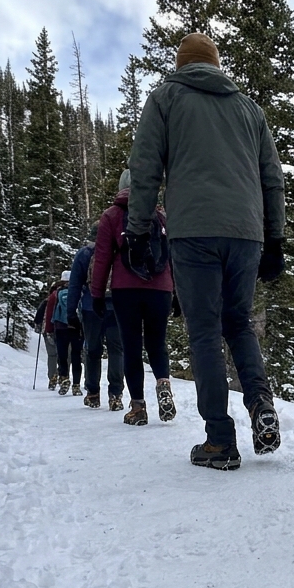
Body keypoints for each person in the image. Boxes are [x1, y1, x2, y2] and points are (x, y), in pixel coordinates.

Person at [125, 33, 285, 471]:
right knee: (239, 324)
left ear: (182, 64)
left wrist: (138, 231)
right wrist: (275, 239)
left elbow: (144, 168)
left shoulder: (165, 98)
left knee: (204, 333)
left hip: (193, 231)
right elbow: (271, 178)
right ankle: (261, 405)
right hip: (247, 233)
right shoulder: (249, 108)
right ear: (216, 64)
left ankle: (219, 439)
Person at [90, 170, 177, 426]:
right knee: (157, 343)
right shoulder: (161, 217)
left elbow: (102, 259)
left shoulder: (111, 216)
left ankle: (138, 407)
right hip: (161, 289)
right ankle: (163, 383)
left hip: (125, 289)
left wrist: (97, 294)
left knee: (131, 346)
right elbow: (172, 258)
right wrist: (177, 293)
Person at [66, 216, 126, 411]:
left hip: (91, 307)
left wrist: (71, 312)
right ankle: (115, 394)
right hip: (117, 307)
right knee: (117, 351)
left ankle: (92, 393)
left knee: (93, 350)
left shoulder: (84, 254)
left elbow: (74, 285)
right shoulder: (119, 252)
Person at [44, 271, 83, 396]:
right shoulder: (80, 292)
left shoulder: (56, 293)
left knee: (62, 356)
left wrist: (48, 329)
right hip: (76, 327)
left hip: (60, 327)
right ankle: (76, 385)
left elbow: (50, 312)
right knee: (76, 356)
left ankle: (64, 378)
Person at [31, 286, 58, 390]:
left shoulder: (46, 301)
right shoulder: (71, 296)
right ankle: (63, 376)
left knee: (52, 355)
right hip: (65, 330)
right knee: (64, 355)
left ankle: (52, 378)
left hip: (47, 331)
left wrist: (39, 326)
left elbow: (38, 318)